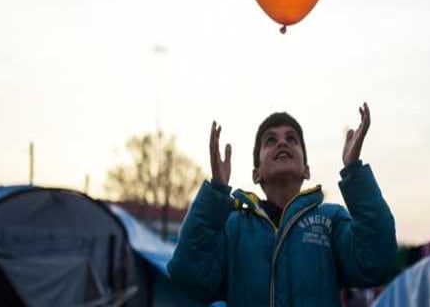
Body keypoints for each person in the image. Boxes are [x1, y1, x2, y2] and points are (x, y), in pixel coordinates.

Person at [167, 102, 397, 307]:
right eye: (271, 140)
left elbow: (377, 262)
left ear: (306, 170)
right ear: (256, 174)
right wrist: (215, 193)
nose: (282, 144)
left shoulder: (331, 219)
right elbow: (188, 276)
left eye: (291, 139)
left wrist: (354, 171)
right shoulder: (232, 226)